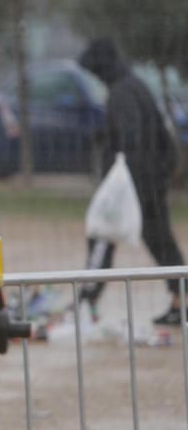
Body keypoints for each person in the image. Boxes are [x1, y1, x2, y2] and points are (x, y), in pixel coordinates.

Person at [77, 37, 185, 325]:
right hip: (150, 179)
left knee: (102, 233)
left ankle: (87, 302)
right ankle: (180, 297)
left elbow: (130, 140)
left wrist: (121, 181)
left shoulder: (122, 93)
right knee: (160, 240)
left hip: (135, 183)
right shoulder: (133, 85)